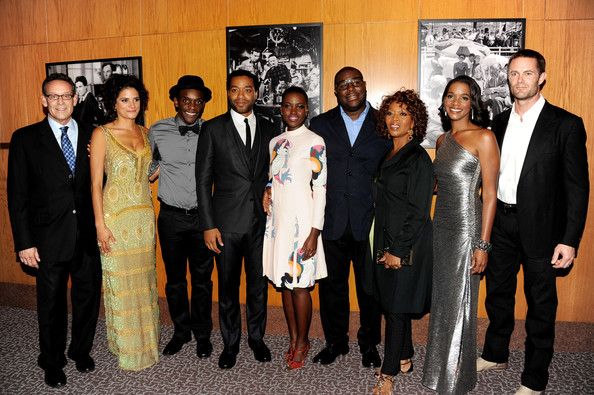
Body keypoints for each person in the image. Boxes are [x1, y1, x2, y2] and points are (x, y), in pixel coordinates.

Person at [477, 49, 589, 395]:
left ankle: (535, 378)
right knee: (498, 295)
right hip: (502, 224)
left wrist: (569, 240)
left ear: (541, 77)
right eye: (513, 73)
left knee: (541, 305)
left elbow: (577, 187)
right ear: (507, 78)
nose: (519, 80)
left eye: (528, 73)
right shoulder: (498, 122)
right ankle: (496, 354)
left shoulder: (566, 124)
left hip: (543, 229)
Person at [7, 73, 101, 388]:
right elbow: (17, 196)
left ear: (76, 99)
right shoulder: (25, 138)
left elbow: (103, 185)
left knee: (88, 299)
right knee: (51, 305)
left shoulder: (94, 134)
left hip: (87, 236)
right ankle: (52, 361)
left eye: (66, 96)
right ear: (44, 100)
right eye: (54, 96)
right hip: (47, 239)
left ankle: (81, 352)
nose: (61, 102)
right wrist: (24, 242)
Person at [308, 67, 391, 368]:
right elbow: (303, 163)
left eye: (355, 82)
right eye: (343, 84)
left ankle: (369, 344)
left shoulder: (384, 122)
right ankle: (335, 342)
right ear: (335, 91)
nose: (350, 88)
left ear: (365, 86)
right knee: (332, 289)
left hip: (371, 222)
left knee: (370, 291)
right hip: (331, 221)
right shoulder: (319, 124)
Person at [422, 75, 499, 394]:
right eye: (450, 96)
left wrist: (482, 245)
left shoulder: (484, 137)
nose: (455, 102)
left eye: (464, 97)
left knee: (460, 301)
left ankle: (454, 378)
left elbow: (491, 194)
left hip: (468, 228)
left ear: (473, 102)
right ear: (443, 102)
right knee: (442, 301)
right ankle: (440, 371)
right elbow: (439, 185)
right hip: (441, 226)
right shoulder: (441, 141)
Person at [196, 70, 277, 370]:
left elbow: (274, 172)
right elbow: (203, 181)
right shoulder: (213, 128)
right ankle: (230, 344)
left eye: (247, 90)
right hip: (225, 225)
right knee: (228, 288)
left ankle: (257, 338)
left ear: (256, 93)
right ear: (228, 93)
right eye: (234, 90)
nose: (241, 96)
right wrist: (207, 224)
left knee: (258, 286)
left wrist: (269, 187)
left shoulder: (271, 128)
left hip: (261, 223)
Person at [365, 89, 434, 395]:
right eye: (391, 113)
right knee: (395, 302)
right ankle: (405, 356)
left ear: (414, 121)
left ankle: (388, 373)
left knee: (394, 307)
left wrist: (397, 249)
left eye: (403, 113)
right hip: (385, 237)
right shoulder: (390, 152)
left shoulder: (417, 158)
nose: (395, 119)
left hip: (406, 244)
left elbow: (419, 211)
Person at [90, 74, 159, 370]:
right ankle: (127, 350)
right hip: (115, 220)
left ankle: (146, 345)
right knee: (120, 284)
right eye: (124, 100)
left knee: (143, 284)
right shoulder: (101, 134)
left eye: (135, 99)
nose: (131, 105)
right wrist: (99, 225)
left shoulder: (146, 132)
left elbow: (147, 172)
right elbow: (94, 184)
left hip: (144, 218)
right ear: (113, 103)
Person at [148, 75, 215, 358]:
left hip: (204, 219)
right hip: (171, 218)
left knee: (202, 280)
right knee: (175, 279)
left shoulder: (213, 131)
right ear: (176, 101)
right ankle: (180, 331)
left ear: (203, 104)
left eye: (197, 101)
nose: (191, 106)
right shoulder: (157, 130)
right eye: (186, 100)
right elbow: (146, 164)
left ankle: (202, 334)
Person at [262, 87, 328, 370]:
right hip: (278, 223)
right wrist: (267, 188)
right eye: (287, 106)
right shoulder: (275, 141)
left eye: (299, 106)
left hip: (304, 224)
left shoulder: (316, 142)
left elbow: (321, 189)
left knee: (300, 286)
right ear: (281, 109)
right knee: (285, 285)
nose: (293, 111)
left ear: (306, 111)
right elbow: (274, 176)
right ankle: (292, 337)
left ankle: (303, 342)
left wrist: (315, 232)